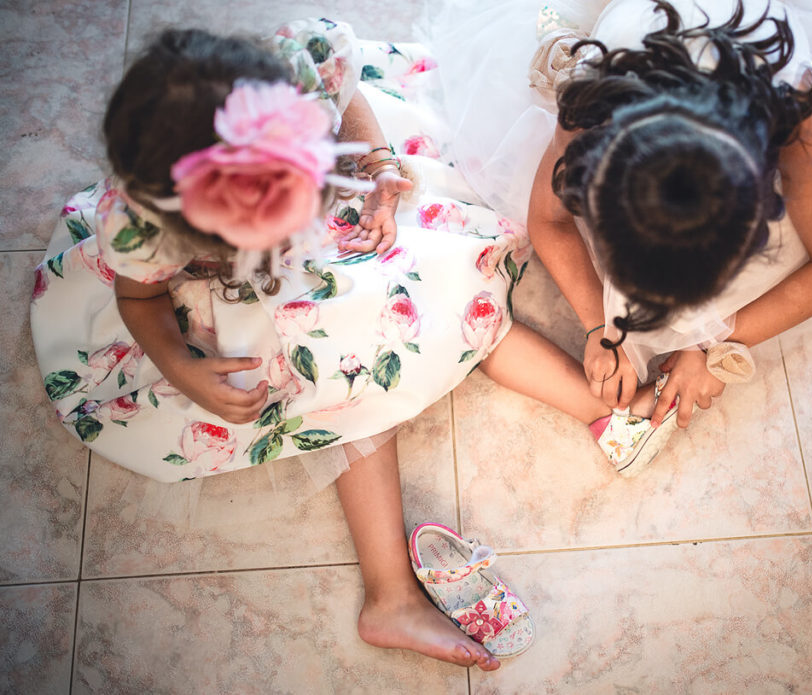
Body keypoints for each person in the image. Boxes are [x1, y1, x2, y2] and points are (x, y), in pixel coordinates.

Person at [30, 17, 683, 671]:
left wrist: (375, 169)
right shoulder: (146, 226)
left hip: (352, 224)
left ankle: (606, 411)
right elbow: (139, 298)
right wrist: (180, 364)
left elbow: (351, 102)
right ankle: (390, 594)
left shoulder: (298, 76)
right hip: (244, 301)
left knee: (451, 289)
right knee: (343, 376)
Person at [427, 0, 812, 428]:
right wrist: (597, 327)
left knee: (803, 247)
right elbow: (551, 221)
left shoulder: (793, 115)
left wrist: (716, 342)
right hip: (636, 54)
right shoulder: (593, 98)